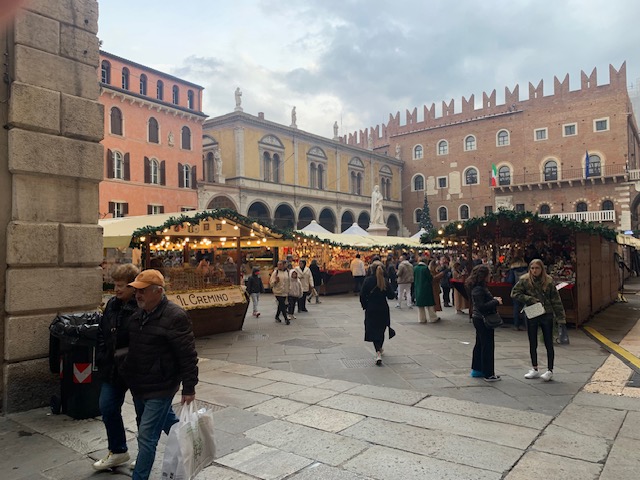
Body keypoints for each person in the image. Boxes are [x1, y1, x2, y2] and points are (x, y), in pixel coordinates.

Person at [124, 269, 198, 480]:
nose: (138, 295)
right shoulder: (138, 314)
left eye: (143, 291)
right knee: (164, 425)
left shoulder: (175, 316)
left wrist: (189, 388)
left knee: (147, 436)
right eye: (137, 291)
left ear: (158, 291)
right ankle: (188, 447)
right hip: (139, 385)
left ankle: (140, 476)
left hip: (161, 386)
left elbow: (187, 355)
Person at [93, 264, 139, 471]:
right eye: (115, 284)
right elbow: (103, 333)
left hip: (136, 369)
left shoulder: (141, 304)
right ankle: (118, 451)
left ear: (133, 286)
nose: (116, 289)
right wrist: (104, 355)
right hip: (112, 367)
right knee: (107, 407)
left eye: (121, 285)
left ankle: (147, 454)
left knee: (146, 414)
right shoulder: (112, 304)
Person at [511, 258, 566, 382]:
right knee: (532, 342)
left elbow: (556, 300)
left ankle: (550, 370)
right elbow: (514, 293)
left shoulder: (549, 281)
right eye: (532, 268)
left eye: (537, 268)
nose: (534, 271)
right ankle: (534, 368)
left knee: (548, 342)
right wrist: (528, 299)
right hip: (532, 312)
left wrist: (561, 318)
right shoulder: (524, 280)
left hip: (546, 313)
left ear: (542, 269)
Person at [466, 264, 502, 382]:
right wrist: (495, 301)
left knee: (480, 344)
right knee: (487, 345)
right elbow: (481, 306)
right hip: (483, 319)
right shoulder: (478, 289)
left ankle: (478, 369)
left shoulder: (477, 287)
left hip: (478, 318)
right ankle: (488, 373)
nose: (490, 276)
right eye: (489, 274)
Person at [360, 260, 395, 365]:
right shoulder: (384, 281)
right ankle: (380, 348)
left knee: (373, 330)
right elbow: (391, 296)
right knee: (381, 331)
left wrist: (365, 306)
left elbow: (362, 295)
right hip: (383, 309)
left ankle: (378, 351)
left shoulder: (367, 281)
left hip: (371, 309)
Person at [413, 255, 440, 323]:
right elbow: (430, 278)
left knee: (420, 305)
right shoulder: (425, 268)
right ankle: (433, 318)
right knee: (429, 304)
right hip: (426, 288)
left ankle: (422, 319)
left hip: (418, 287)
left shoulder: (415, 268)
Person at [506, 256, 529, 330]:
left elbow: (510, 280)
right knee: (525, 307)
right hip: (525, 290)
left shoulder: (513, 270)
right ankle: (526, 325)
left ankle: (516, 325)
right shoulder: (527, 269)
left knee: (516, 307)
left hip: (516, 290)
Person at [270, 260, 290, 324]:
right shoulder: (275, 272)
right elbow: (271, 283)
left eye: (280, 264)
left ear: (284, 265)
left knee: (280, 305)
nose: (279, 266)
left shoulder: (287, 272)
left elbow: (289, 281)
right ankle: (286, 319)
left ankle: (277, 316)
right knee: (282, 305)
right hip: (278, 291)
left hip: (285, 291)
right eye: (278, 264)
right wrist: (275, 281)